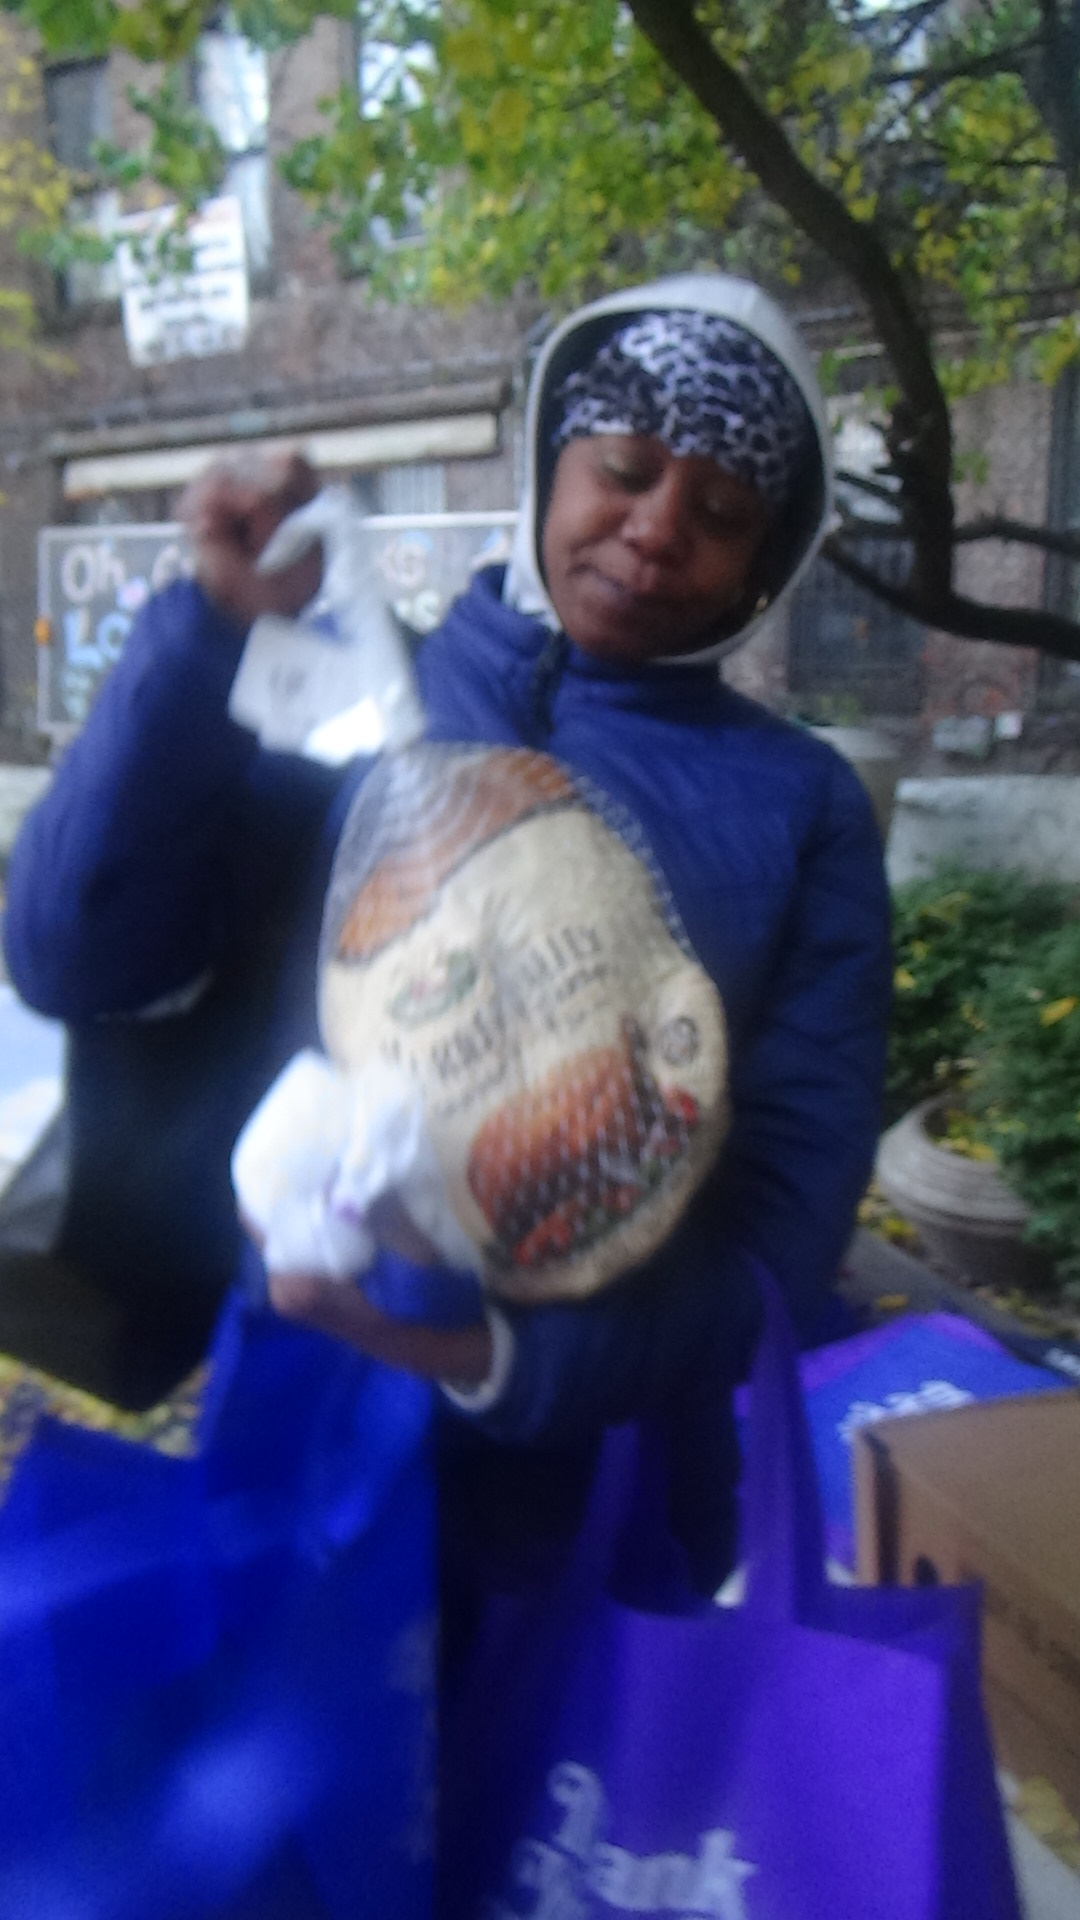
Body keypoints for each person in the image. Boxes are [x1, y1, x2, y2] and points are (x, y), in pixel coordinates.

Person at [2, 272, 891, 1600]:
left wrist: (489, 1355)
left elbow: (781, 1224)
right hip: (298, 1443)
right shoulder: (366, 688)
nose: (656, 529)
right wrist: (204, 635)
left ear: (765, 562)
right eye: (625, 471)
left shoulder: (796, 810)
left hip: (600, 1507)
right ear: (547, 465)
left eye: (718, 514)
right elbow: (69, 953)